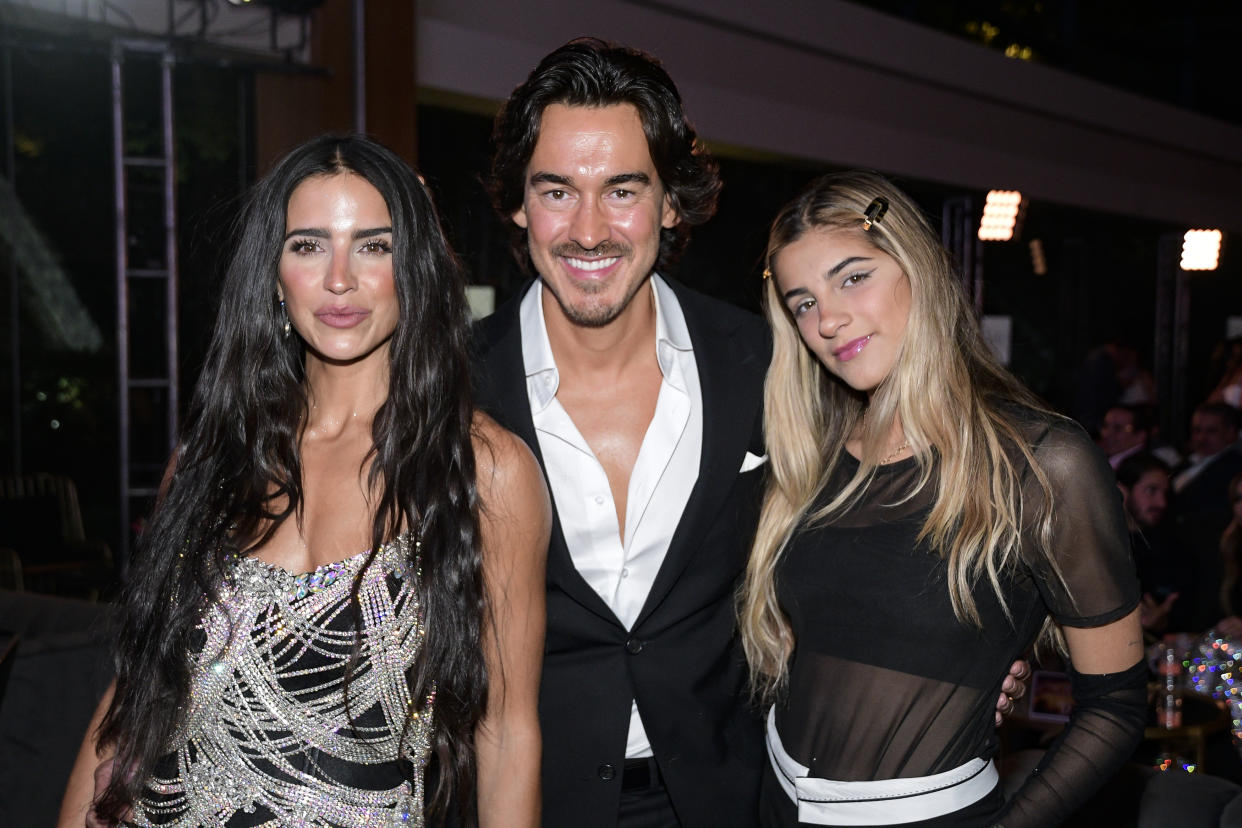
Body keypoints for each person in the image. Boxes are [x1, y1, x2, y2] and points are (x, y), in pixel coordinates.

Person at [473, 38, 1026, 828]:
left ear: (670, 203)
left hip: (733, 800)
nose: (588, 229)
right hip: (523, 801)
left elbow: (895, 503)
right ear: (519, 204)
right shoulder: (449, 386)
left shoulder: (769, 362)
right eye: (557, 191)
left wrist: (982, 648)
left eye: (623, 189)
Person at [57, 135, 550, 827]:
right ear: (274, 269)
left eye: (373, 245)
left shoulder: (484, 471)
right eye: (309, 245)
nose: (339, 278)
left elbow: (506, 738)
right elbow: (134, 698)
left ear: (413, 267)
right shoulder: (210, 456)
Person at [744, 171, 1146, 827]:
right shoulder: (807, 459)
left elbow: (1118, 705)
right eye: (802, 303)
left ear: (918, 268)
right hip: (773, 803)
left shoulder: (1041, 463)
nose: (828, 319)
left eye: (852, 277)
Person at [1116, 452, 1189, 634]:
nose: (1161, 503)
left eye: (1164, 493)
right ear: (1122, 492)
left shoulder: (1174, 549)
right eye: (1151, 491)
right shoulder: (1100, 546)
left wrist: (1162, 622)